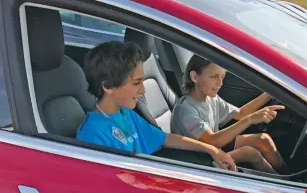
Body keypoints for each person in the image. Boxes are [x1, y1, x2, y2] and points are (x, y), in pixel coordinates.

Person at [76, 41, 236, 171]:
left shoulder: (126, 113)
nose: (143, 89)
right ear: (108, 86)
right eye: (136, 83)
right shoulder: (92, 135)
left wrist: (212, 150)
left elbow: (166, 138)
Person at [171, 55, 289, 174]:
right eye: (214, 77)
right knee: (249, 153)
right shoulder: (186, 110)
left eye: (222, 77)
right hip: (199, 160)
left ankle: (288, 176)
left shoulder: (211, 99)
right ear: (195, 77)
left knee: (263, 139)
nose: (220, 83)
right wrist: (250, 119)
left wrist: (270, 93)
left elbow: (240, 113)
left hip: (214, 150)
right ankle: (282, 185)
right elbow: (212, 141)